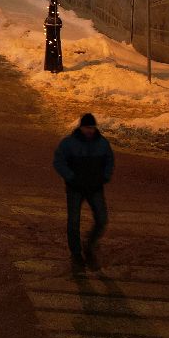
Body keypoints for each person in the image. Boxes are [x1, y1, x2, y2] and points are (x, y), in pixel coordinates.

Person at [53, 113, 115, 272]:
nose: (90, 131)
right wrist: (71, 177)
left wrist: (104, 177)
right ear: (81, 127)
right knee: (73, 222)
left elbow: (110, 160)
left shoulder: (102, 144)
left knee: (102, 219)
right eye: (87, 127)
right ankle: (76, 255)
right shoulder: (69, 143)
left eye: (92, 128)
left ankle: (89, 245)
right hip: (75, 189)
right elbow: (58, 161)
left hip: (95, 188)